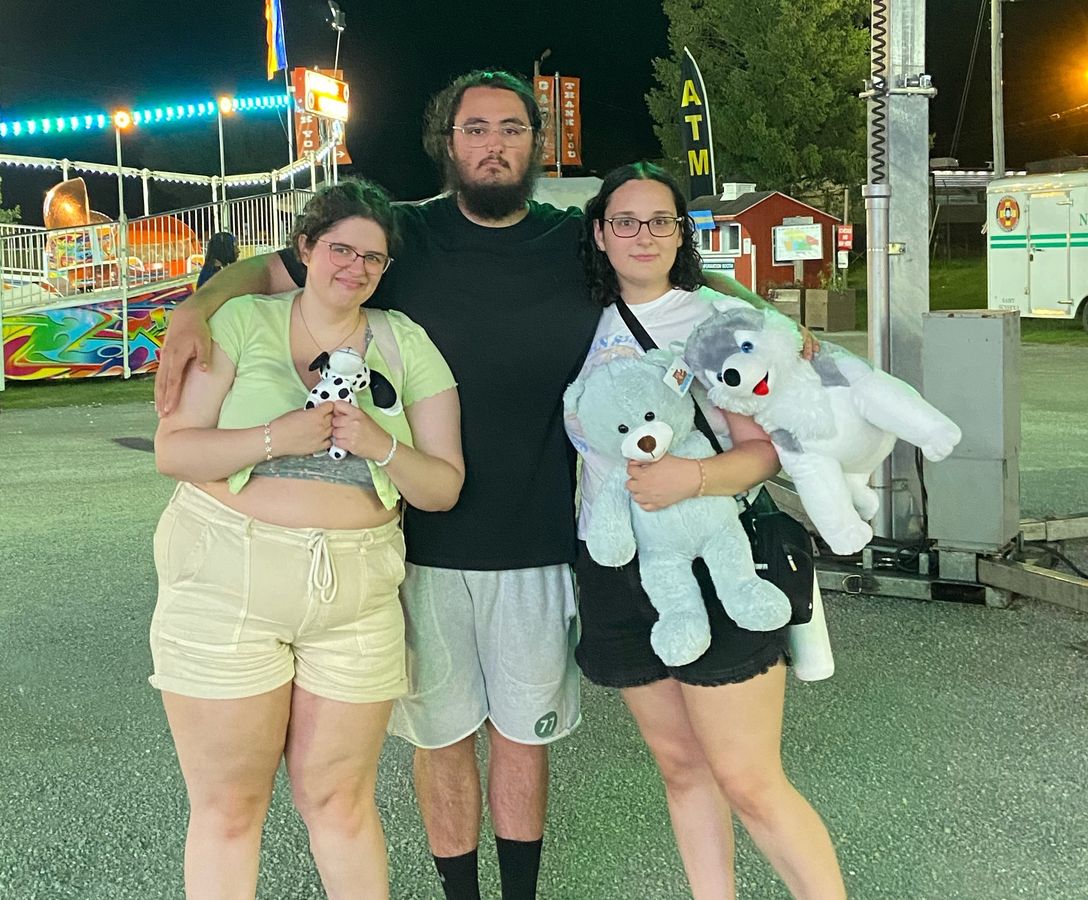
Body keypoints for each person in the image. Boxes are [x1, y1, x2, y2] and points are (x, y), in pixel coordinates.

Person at [154, 70, 812, 900]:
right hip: (415, 544)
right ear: (448, 142)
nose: (493, 145)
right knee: (441, 740)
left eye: (511, 129)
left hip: (538, 537)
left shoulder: (571, 240)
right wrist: (195, 308)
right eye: (475, 129)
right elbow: (273, 269)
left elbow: (672, 271)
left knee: (522, 739)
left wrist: (770, 316)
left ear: (537, 143)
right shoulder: (403, 236)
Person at [150, 178, 464, 900]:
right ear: (306, 249)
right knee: (230, 808)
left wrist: (382, 445)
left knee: (341, 803)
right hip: (228, 578)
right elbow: (175, 449)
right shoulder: (244, 321)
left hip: (356, 595)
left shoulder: (403, 340)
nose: (355, 268)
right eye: (340, 250)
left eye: (373, 258)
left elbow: (442, 486)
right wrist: (276, 437)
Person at [565, 161, 846, 900]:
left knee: (749, 780)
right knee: (682, 769)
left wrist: (690, 478)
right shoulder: (574, 321)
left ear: (680, 232)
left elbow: (763, 452)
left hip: (718, 559)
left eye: (660, 220)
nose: (643, 235)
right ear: (599, 233)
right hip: (618, 564)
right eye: (625, 221)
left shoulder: (714, 322)